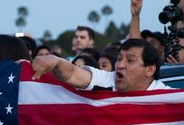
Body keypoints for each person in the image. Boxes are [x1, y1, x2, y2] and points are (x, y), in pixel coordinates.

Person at [33, 38, 169, 92]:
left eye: (130, 60)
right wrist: (55, 61)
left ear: (150, 70)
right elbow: (72, 73)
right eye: (119, 58)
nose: (120, 65)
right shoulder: (108, 80)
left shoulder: (168, 99)